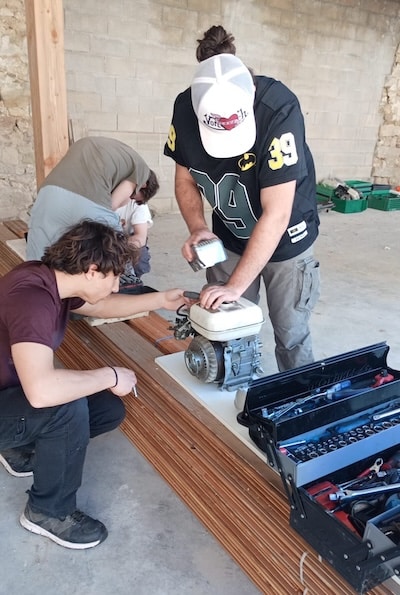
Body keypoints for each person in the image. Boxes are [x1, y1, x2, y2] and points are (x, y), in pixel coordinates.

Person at [0, 219, 191, 549]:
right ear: (91, 271)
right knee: (65, 407)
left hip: (8, 393)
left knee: (105, 408)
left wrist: (161, 300)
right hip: (14, 396)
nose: (116, 286)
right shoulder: (33, 301)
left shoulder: (50, 280)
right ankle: (48, 512)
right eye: (114, 277)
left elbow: (100, 305)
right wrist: (110, 375)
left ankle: (17, 448)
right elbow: (41, 391)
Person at [164, 26, 320, 372]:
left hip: (286, 240)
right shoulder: (185, 109)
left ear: (250, 96)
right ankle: (234, 397)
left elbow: (277, 214)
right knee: (226, 331)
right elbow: (184, 179)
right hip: (231, 235)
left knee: (291, 334)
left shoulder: (278, 108)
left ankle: (299, 398)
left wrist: (236, 286)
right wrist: (198, 227)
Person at [26, 136, 159, 292]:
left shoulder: (119, 152)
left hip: (48, 191)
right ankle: (127, 282)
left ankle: (36, 288)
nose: (129, 200)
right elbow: (112, 205)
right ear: (143, 185)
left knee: (43, 247)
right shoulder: (141, 170)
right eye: (132, 196)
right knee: (112, 238)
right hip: (86, 196)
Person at [115, 193, 153, 279]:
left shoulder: (138, 203)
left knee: (140, 260)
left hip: (127, 239)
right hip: (104, 239)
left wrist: (117, 248)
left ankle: (134, 279)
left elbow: (140, 237)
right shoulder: (99, 200)